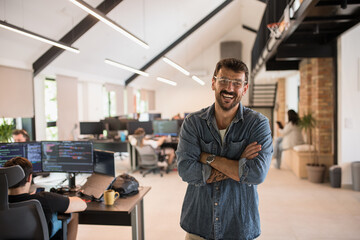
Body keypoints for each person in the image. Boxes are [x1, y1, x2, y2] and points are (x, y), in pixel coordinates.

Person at [176, 58, 273, 240]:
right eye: (223, 80)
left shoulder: (258, 124)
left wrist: (207, 158)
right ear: (213, 83)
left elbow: (256, 174)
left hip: (239, 225)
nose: (229, 88)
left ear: (245, 88)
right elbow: (187, 171)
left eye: (237, 83)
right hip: (198, 224)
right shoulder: (193, 123)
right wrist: (238, 165)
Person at [4, 157, 87, 240]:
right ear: (29, 178)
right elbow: (82, 205)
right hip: (39, 236)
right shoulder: (44, 199)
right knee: (73, 214)